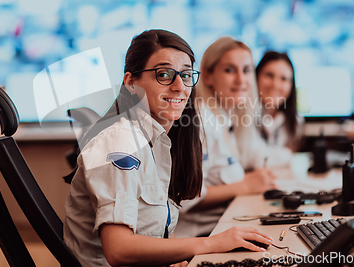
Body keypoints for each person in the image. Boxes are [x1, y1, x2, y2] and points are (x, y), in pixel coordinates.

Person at [64, 30, 273, 267]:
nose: (179, 86)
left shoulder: (159, 142)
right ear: (131, 83)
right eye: (163, 74)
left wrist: (174, 257)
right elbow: (119, 249)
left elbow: (154, 228)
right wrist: (209, 243)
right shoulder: (120, 141)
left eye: (185, 75)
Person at [175, 36, 291, 238]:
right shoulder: (202, 122)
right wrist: (245, 185)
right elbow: (185, 200)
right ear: (208, 76)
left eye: (246, 70)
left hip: (222, 227)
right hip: (200, 237)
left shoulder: (228, 119)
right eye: (230, 70)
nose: (241, 79)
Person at [255, 51, 304, 152]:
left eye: (283, 79)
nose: (276, 84)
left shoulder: (295, 122)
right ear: (256, 77)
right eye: (269, 75)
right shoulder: (241, 116)